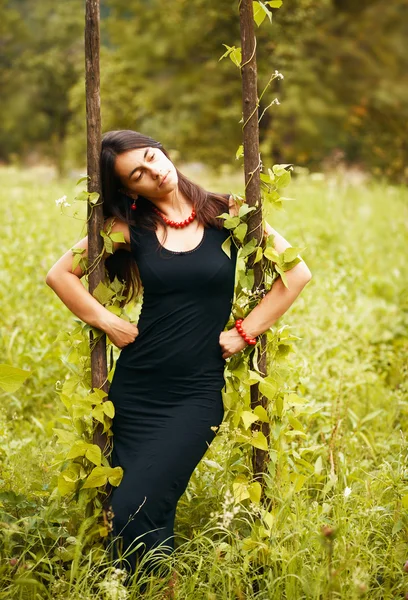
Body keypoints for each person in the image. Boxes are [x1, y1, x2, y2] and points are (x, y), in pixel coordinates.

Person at [45, 129, 312, 593]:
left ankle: (143, 585)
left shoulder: (230, 212)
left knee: (137, 503)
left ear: (163, 150)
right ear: (130, 190)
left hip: (195, 392)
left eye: (152, 157)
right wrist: (108, 322)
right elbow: (59, 275)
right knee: (136, 505)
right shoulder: (128, 228)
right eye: (138, 174)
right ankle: (151, 587)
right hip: (138, 387)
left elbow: (297, 273)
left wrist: (247, 331)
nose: (154, 171)